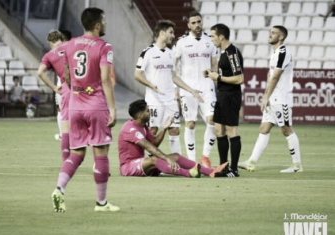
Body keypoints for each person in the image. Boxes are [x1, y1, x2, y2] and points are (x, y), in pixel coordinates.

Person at [51, 7, 119, 213]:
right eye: (104, 21)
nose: (106, 24)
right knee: (101, 153)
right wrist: (113, 109)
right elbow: (106, 79)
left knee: (76, 153)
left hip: (75, 105)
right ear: (97, 25)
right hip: (95, 105)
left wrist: (77, 91)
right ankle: (101, 203)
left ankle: (59, 189)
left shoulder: (70, 45)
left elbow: (67, 75)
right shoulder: (104, 46)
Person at [238, 26, 302, 173]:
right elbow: (269, 76)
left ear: (281, 37)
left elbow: (276, 76)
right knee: (264, 128)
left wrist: (266, 96)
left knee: (286, 130)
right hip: (273, 98)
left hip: (282, 99)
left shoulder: (283, 52)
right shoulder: (274, 53)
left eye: (273, 33)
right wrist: (266, 94)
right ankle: (251, 161)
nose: (270, 35)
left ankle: (297, 165)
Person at [134, 20, 204, 155]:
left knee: (175, 130)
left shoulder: (171, 53)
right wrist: (150, 85)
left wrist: (191, 90)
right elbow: (137, 75)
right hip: (154, 100)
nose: (173, 36)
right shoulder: (147, 52)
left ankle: (176, 162)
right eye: (170, 32)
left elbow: (174, 77)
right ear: (161, 33)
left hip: (170, 100)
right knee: (153, 130)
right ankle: (150, 163)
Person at [118, 99, 232, 178]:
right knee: (154, 158)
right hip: (128, 167)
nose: (150, 112)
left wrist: (164, 129)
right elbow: (150, 149)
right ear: (139, 115)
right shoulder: (130, 129)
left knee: (175, 156)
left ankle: (212, 171)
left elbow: (154, 143)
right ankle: (189, 173)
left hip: (141, 164)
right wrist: (166, 159)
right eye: (147, 111)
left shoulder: (143, 126)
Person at [174, 11, 218, 167]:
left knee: (212, 120)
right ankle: (192, 161)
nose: (197, 25)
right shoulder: (182, 42)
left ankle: (205, 157)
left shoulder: (211, 41)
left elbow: (214, 65)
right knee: (190, 123)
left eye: (199, 22)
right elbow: (174, 65)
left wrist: (215, 84)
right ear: (188, 25)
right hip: (188, 88)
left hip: (207, 87)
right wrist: (176, 87)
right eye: (193, 23)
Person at [205, 23, 244, 177]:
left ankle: (234, 169)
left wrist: (218, 77)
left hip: (230, 95)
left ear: (221, 37)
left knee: (231, 131)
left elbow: (240, 78)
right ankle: (223, 166)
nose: (212, 39)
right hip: (222, 94)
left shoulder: (232, 53)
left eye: (213, 36)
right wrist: (212, 73)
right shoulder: (222, 53)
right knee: (218, 130)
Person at [38, 30, 69, 161]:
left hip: (64, 87)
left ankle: (67, 158)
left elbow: (40, 73)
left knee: (63, 115)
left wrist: (54, 88)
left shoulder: (50, 54)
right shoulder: (73, 46)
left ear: (50, 42)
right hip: (83, 86)